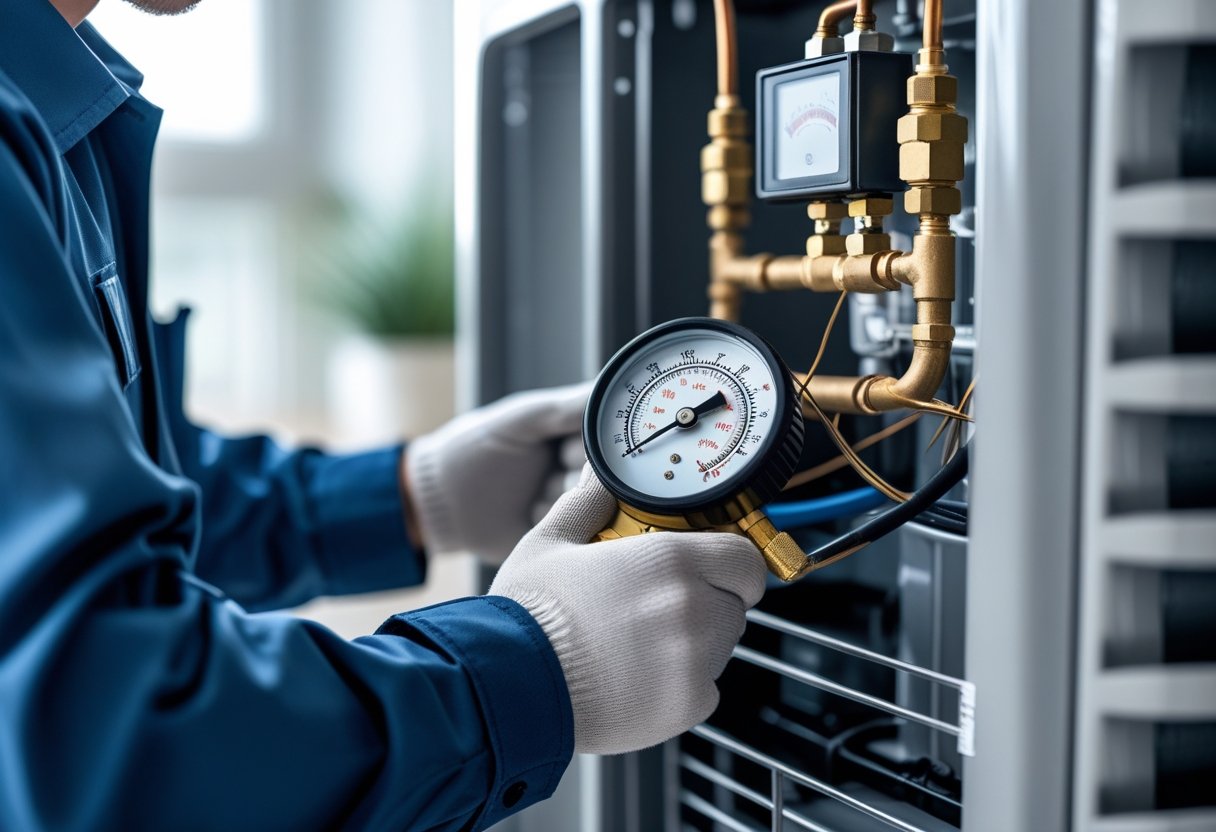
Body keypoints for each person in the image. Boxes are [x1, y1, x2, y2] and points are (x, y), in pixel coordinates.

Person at [0, 0, 768, 829]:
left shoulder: (63, 100)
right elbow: (108, 744)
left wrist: (411, 494)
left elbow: (110, 510)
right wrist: (533, 669)